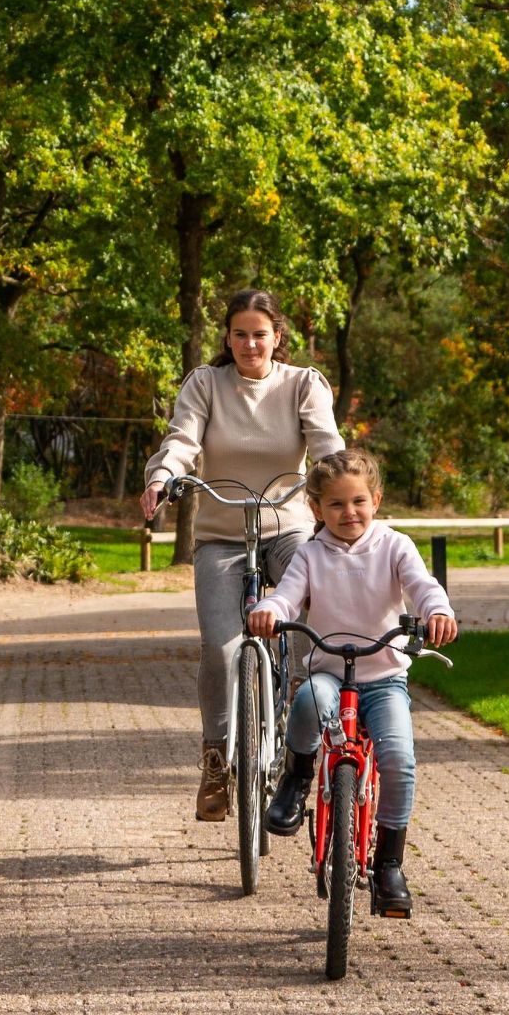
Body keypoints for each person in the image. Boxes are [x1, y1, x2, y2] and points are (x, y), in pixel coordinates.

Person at [140, 290, 344, 821]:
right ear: (226, 339)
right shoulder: (206, 384)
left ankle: (303, 731)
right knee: (221, 648)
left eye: (260, 334)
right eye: (239, 334)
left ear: (278, 336)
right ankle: (215, 759)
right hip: (221, 533)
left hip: (288, 526)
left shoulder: (303, 384)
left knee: (305, 631)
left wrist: (341, 492)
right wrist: (163, 478)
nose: (250, 343)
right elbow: (182, 440)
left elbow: (325, 447)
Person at [248, 446, 458, 919]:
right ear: (316, 509)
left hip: (383, 678)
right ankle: (297, 778)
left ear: (376, 500)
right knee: (304, 701)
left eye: (359, 501)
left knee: (400, 761)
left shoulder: (394, 546)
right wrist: (269, 612)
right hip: (328, 673)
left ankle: (388, 866)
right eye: (336, 505)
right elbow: (286, 597)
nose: (349, 513)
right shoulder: (309, 554)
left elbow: (422, 585)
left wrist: (437, 611)